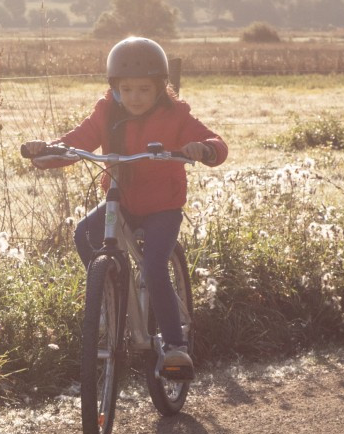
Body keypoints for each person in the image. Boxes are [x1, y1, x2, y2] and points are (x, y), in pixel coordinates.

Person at [22, 36, 228, 377]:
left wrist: (202, 149)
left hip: (163, 206)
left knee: (153, 267)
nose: (134, 97)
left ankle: (176, 347)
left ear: (161, 87)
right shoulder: (106, 112)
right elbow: (79, 140)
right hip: (121, 200)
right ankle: (111, 294)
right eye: (127, 89)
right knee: (84, 234)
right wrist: (47, 151)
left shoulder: (176, 115)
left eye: (144, 90)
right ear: (115, 87)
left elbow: (216, 143)